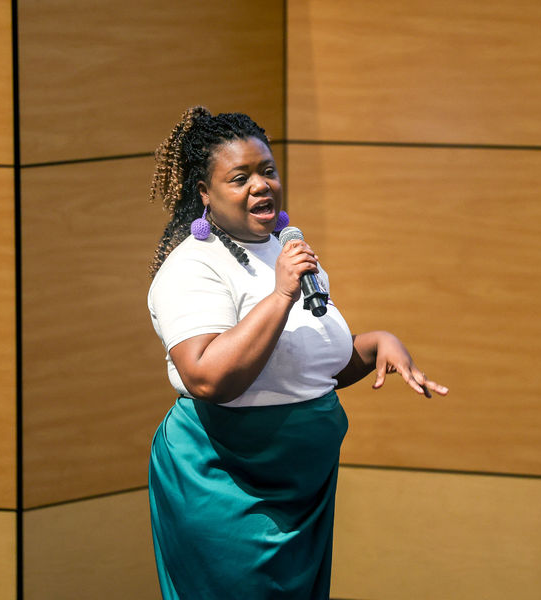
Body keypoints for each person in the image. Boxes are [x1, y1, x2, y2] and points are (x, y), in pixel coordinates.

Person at [146, 106, 448, 600]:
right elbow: (206, 377)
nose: (261, 185)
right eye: (239, 177)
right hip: (226, 487)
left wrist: (376, 346)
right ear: (204, 193)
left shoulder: (289, 254)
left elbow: (306, 367)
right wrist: (281, 295)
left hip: (302, 490)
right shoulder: (192, 268)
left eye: (267, 171)